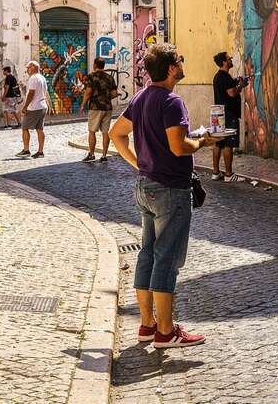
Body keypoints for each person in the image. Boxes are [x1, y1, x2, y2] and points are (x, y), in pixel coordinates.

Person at [109, 44, 216, 349]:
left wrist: (139, 164)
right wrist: (202, 142)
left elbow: (116, 134)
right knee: (166, 259)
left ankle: (147, 325)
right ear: (171, 68)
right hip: (171, 188)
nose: (182, 63)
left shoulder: (141, 97)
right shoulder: (172, 102)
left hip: (146, 186)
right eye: (179, 60)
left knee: (147, 253)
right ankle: (166, 332)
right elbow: (178, 146)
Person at [210, 52, 246, 181]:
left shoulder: (217, 76)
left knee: (218, 143)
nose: (231, 60)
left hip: (217, 112)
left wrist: (235, 83)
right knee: (228, 144)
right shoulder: (225, 77)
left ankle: (215, 172)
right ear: (224, 62)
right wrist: (240, 86)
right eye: (229, 59)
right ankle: (229, 174)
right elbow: (232, 93)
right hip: (229, 113)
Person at [81, 58, 119, 163]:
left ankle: (91, 154)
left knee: (92, 131)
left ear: (95, 65)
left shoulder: (91, 76)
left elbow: (88, 92)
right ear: (103, 65)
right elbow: (115, 94)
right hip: (107, 108)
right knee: (105, 132)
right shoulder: (110, 77)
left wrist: (83, 104)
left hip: (95, 107)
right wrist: (106, 98)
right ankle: (104, 156)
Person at [15, 61, 48, 158]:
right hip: (42, 106)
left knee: (24, 128)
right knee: (40, 129)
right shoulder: (42, 78)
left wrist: (25, 107)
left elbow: (31, 93)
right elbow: (45, 92)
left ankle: (26, 150)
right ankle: (40, 152)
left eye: (28, 67)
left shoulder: (33, 78)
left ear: (33, 67)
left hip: (34, 107)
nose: (27, 70)